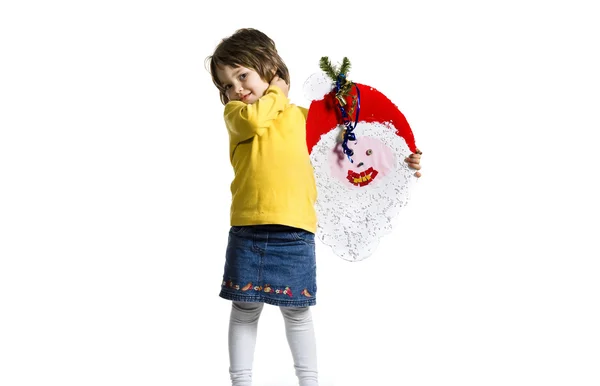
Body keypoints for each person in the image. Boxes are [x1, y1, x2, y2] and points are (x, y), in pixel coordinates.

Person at [206, 28, 422, 386]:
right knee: (244, 309)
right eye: (227, 85)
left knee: (298, 313)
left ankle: (309, 380)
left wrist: (401, 157)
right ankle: (240, 380)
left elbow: (349, 155)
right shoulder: (237, 117)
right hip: (249, 227)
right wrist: (276, 89)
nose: (236, 89)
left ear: (269, 67)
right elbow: (258, 118)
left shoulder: (305, 119)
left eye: (242, 75)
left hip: (295, 230)